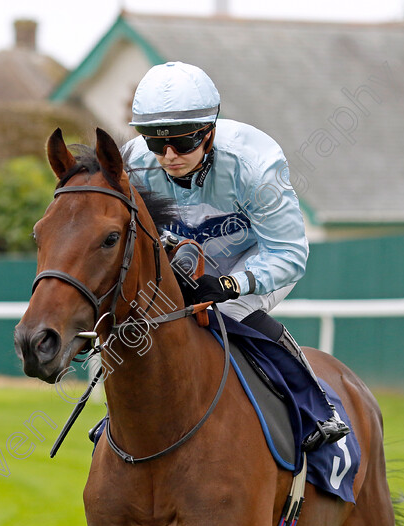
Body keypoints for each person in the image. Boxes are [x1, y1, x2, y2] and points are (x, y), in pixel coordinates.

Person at [120, 61, 349, 451]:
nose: (170, 155)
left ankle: (318, 407)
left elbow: (289, 252)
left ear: (209, 132)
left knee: (225, 313)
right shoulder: (134, 164)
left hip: (261, 257)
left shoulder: (254, 166)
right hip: (189, 261)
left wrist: (230, 284)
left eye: (183, 142)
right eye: (156, 143)